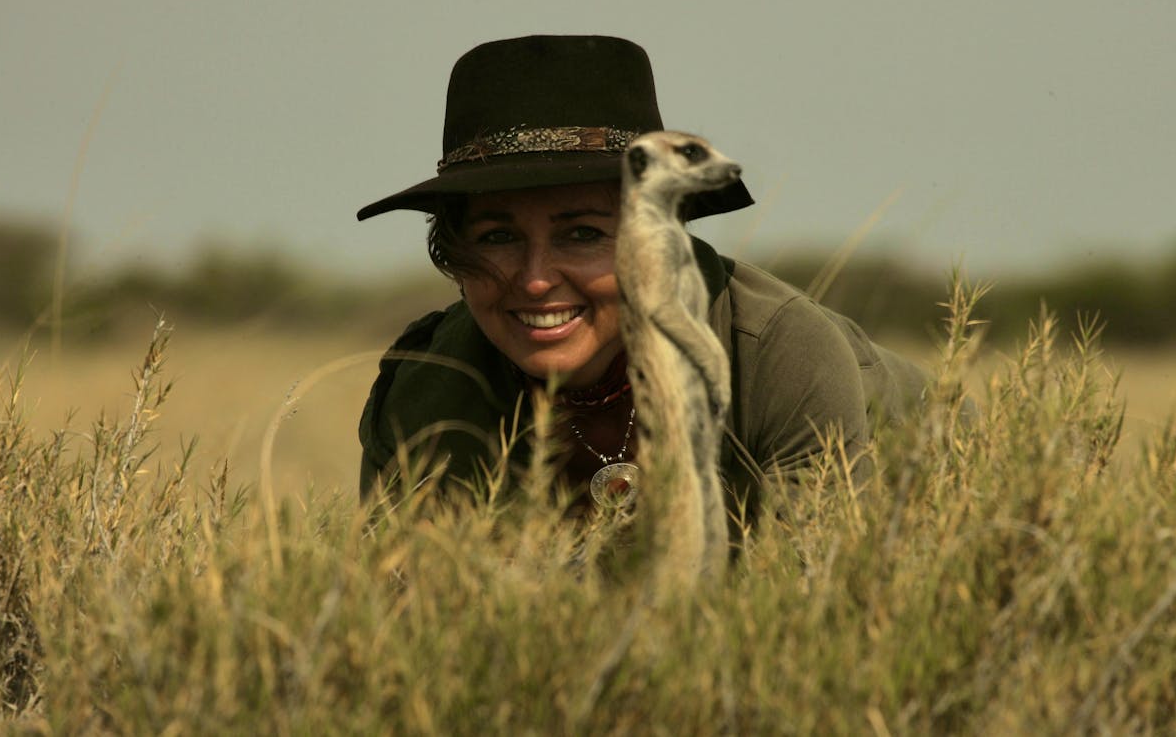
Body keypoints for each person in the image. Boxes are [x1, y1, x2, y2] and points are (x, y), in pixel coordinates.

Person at [355, 35, 928, 527]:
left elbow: (808, 610)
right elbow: (409, 618)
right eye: (497, 239)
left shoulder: (778, 358)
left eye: (581, 235)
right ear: (454, 255)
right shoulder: (424, 393)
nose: (533, 282)